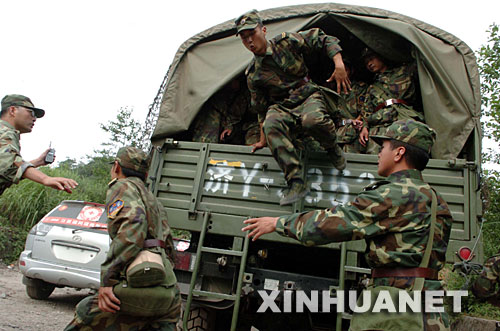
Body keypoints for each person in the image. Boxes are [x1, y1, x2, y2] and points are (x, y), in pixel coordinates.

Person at [242, 119, 452, 330]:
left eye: (383, 147)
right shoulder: (436, 199)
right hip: (430, 310)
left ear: (399, 153)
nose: (379, 153)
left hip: (395, 310)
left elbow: (333, 223)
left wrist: (278, 223)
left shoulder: (394, 194)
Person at [235, 9, 351, 206]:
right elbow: (261, 108)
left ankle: (332, 147)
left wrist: (338, 64)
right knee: (270, 124)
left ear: (263, 30)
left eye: (252, 34)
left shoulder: (287, 42)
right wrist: (264, 140)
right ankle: (296, 182)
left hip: (307, 94)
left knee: (312, 121)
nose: (249, 41)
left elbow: (323, 38)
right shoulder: (253, 74)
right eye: (244, 38)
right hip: (283, 106)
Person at [65, 147, 180, 330]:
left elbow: (134, 226)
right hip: (169, 290)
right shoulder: (153, 199)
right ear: (146, 173)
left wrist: (108, 280)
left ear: (116, 167)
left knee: (86, 311)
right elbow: (167, 243)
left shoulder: (122, 187)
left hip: (141, 284)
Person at [0, 94, 78, 195]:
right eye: (31, 113)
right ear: (13, 110)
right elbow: (9, 163)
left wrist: (38, 162)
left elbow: (6, 171)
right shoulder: (4, 132)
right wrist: (45, 179)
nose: (34, 119)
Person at [358, 49, 424, 154]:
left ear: (381, 57)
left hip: (402, 122)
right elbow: (367, 111)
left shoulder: (403, 72)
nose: (369, 64)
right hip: (379, 127)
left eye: (371, 59)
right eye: (366, 63)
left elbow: (421, 62)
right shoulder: (372, 87)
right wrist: (364, 128)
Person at [191, 77, 257, 145]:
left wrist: (231, 128)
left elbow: (240, 116)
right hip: (213, 119)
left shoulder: (243, 95)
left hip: (242, 127)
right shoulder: (215, 97)